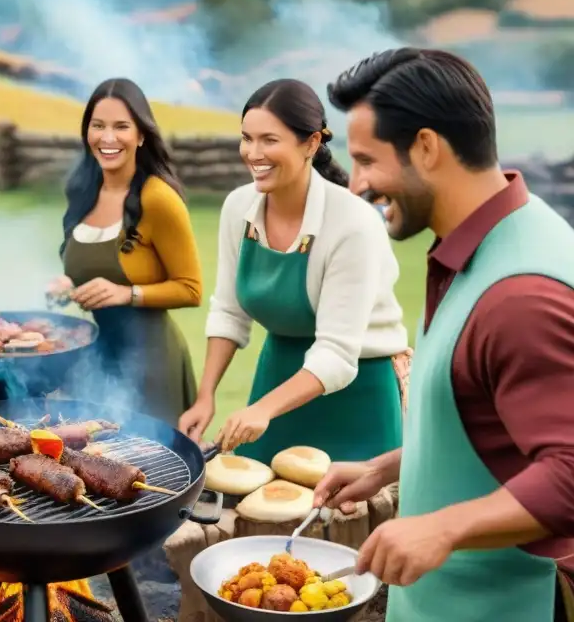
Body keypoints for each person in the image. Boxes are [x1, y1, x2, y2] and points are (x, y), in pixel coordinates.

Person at [313, 48, 574, 622]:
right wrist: (390, 467)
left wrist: (443, 527)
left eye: (366, 160)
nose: (356, 185)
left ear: (426, 148)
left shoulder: (520, 295)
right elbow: (491, 419)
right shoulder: (490, 238)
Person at [178, 79, 408, 464]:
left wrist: (263, 410)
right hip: (277, 379)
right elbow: (229, 311)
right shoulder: (238, 208)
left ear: (311, 143)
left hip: (357, 397)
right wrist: (206, 397)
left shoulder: (353, 223)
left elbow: (336, 354)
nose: (253, 153)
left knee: (352, 520)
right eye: (246, 138)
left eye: (269, 140)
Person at [48, 77, 203, 426]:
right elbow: (89, 275)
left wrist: (125, 293)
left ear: (142, 135)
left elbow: (191, 289)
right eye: (98, 126)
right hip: (99, 363)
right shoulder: (83, 192)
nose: (108, 138)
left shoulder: (158, 198)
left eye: (121, 127)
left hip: (152, 366)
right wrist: (66, 285)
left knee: (149, 471)